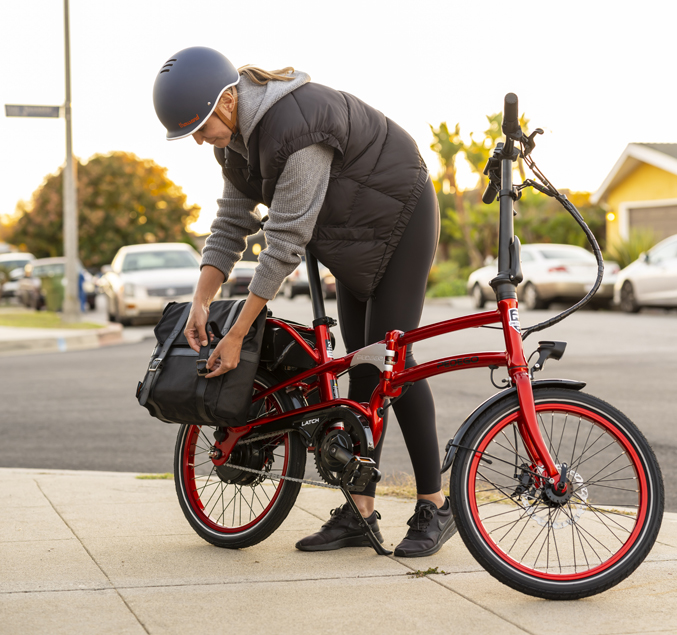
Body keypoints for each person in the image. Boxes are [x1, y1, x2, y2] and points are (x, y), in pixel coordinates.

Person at [153, 46, 455, 557]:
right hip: (350, 235)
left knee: (390, 363)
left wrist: (237, 331)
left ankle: (434, 505)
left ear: (227, 101)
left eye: (201, 126)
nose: (200, 140)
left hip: (400, 217)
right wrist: (200, 302)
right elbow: (231, 225)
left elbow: (284, 242)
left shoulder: (295, 126)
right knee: (363, 370)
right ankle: (359, 513)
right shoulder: (233, 146)